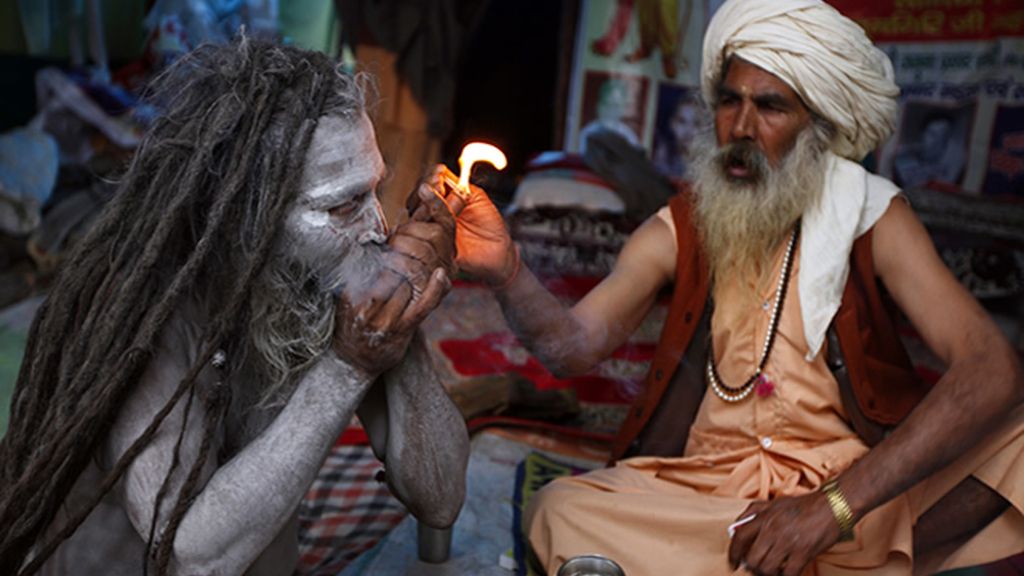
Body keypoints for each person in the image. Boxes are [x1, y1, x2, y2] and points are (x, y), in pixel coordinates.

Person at [446, 0, 1024, 574]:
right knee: (562, 511)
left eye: (770, 106)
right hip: (710, 493)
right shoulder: (681, 226)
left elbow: (990, 367)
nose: (741, 128)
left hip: (850, 490)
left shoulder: (872, 214)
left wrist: (832, 508)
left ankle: (811, 549)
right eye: (729, 101)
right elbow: (572, 345)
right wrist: (508, 270)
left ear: (816, 123)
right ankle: (824, 562)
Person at [0, 38, 469, 575]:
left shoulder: (330, 275)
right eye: (342, 206)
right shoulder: (148, 318)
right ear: (246, 217)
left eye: (374, 191)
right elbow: (192, 558)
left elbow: (441, 500)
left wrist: (400, 327)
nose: (377, 228)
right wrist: (347, 367)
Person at [892, 111, 967, 189]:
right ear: (922, 134)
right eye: (933, 134)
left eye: (943, 136)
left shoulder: (953, 166)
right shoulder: (901, 161)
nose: (937, 141)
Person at [579, 76, 642, 156]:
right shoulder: (587, 133)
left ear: (622, 109)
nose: (611, 110)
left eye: (616, 105)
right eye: (607, 104)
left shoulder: (629, 137)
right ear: (599, 106)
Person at [651, 94, 699, 180]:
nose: (688, 131)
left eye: (696, 124)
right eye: (682, 122)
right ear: (672, 123)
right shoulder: (661, 158)